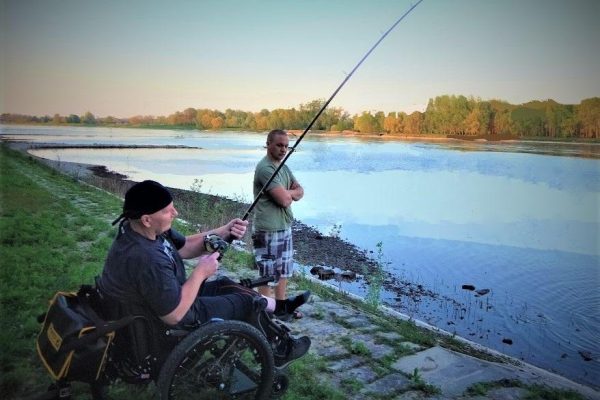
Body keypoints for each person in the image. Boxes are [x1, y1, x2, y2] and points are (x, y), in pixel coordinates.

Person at [98, 179, 310, 366]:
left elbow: (186, 246)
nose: (175, 213)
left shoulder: (141, 230)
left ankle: (281, 307)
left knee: (225, 284)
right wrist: (200, 273)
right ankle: (281, 349)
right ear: (146, 219)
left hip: (163, 300)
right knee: (247, 303)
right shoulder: (146, 258)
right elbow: (173, 316)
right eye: (167, 211)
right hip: (173, 318)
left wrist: (224, 230)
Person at [252, 129, 306, 320]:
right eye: (279, 145)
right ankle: (265, 313)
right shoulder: (265, 168)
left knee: (283, 271)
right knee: (266, 273)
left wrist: (289, 193)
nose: (284, 149)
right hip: (267, 230)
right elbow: (284, 200)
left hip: (284, 227)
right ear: (268, 144)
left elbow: (300, 191)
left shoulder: (283, 167)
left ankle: (281, 309)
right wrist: (288, 194)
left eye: (286, 146)